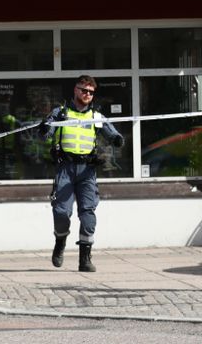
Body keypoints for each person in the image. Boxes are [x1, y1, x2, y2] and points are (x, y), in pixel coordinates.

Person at [37, 75, 124, 273]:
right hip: (65, 169)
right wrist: (44, 128)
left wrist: (117, 140)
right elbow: (44, 135)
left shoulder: (96, 116)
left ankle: (85, 258)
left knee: (88, 215)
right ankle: (60, 242)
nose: (87, 94)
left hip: (87, 171)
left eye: (91, 92)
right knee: (61, 213)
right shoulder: (61, 113)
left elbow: (112, 134)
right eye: (83, 90)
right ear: (75, 90)